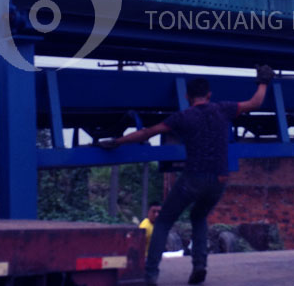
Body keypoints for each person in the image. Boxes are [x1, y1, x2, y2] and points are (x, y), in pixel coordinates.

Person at [101, 65, 274, 285]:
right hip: (220, 179)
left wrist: (117, 141)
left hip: (193, 178)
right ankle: (199, 266)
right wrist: (263, 81)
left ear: (187, 97)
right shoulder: (223, 109)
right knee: (199, 217)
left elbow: (148, 132)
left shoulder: (183, 117)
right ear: (209, 94)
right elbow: (255, 103)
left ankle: (151, 273)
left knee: (163, 221)